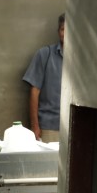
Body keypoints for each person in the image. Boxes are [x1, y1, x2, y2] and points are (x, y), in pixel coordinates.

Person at [23, 13, 65, 143]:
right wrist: (35, 126)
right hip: (49, 128)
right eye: (63, 29)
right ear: (58, 32)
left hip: (76, 127)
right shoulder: (45, 55)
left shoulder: (84, 60)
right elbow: (34, 92)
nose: (66, 33)